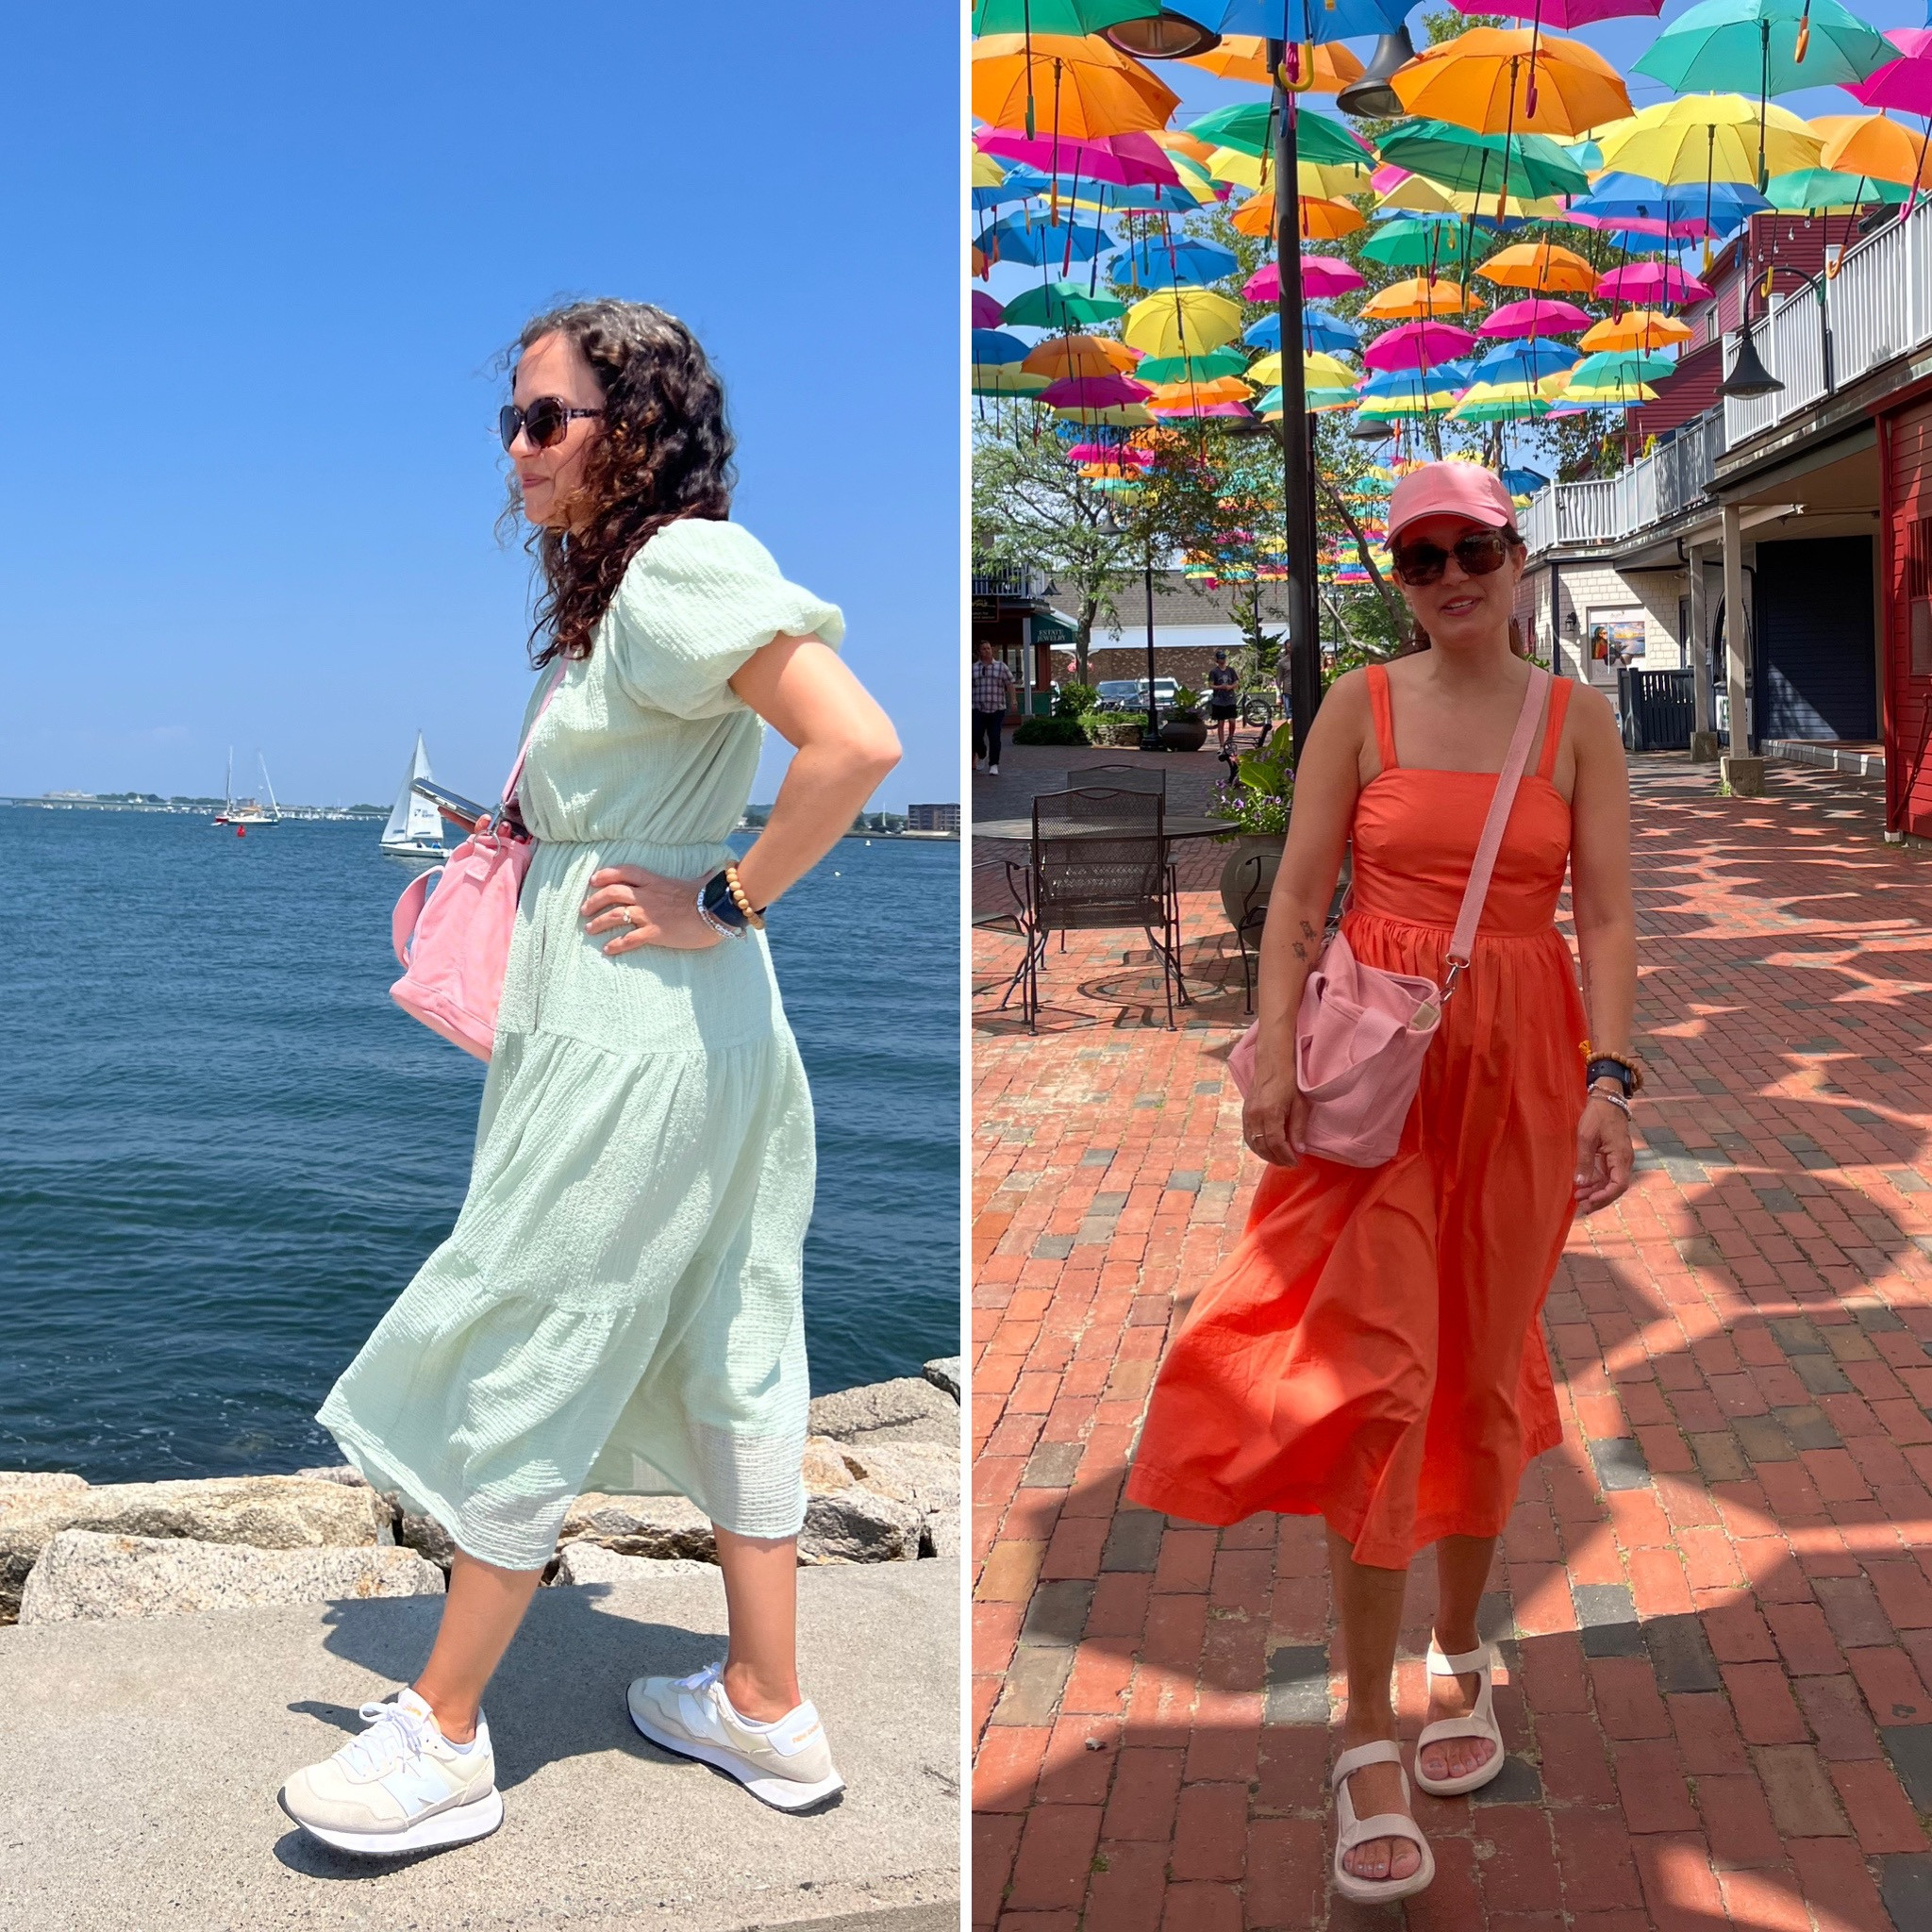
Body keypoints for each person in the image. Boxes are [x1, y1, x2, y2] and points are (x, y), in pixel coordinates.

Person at [279, 299, 901, 1856]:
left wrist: (728, 897)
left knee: (532, 1330)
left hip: (639, 1019)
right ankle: (765, 1696)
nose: (519, 445)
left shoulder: (682, 565)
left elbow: (856, 740)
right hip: (681, 1026)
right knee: (726, 1335)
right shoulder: (630, 591)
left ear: (633, 425)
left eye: (546, 416)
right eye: (510, 418)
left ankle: (440, 1731)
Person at [1125, 462, 1637, 1907]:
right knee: (1372, 1371)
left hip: (1528, 1067)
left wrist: (1613, 1078)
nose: (1450, 574)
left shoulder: (1576, 720)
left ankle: (1458, 1647)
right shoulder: (1364, 706)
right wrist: (1276, 1048)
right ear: (1398, 580)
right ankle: (1363, 1723)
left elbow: (1601, 911)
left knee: (1476, 1367)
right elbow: (1296, 895)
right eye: (1421, 557)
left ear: (1518, 557)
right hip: (1378, 1071)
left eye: (1472, 548)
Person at [972, 640, 1014, 775]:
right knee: (975, 736)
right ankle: (982, 754)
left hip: (997, 708)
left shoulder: (1001, 667)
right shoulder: (973, 668)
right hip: (978, 707)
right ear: (979, 652)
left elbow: (1010, 684)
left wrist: (1013, 701)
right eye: (984, 649)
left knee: (994, 737)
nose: (987, 651)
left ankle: (994, 764)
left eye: (988, 648)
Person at [1206, 648, 1241, 755]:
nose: (1223, 660)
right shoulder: (1214, 672)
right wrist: (1220, 687)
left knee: (1232, 721)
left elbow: (1236, 682)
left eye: (1224, 658)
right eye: (1221, 658)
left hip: (1230, 699)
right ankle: (1221, 744)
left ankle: (1230, 739)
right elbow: (1211, 684)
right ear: (1217, 660)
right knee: (1220, 723)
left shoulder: (1230, 670)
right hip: (1219, 700)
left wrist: (1230, 687)